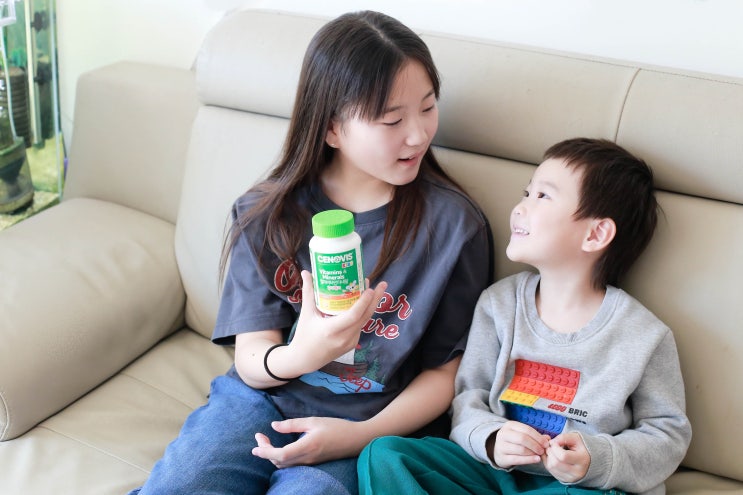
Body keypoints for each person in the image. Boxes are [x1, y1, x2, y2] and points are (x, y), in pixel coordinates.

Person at [128, 10, 493, 495]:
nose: (418, 134)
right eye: (391, 120)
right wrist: (301, 355)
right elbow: (252, 357)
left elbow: (446, 374)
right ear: (331, 128)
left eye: (428, 108)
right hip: (260, 400)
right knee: (184, 484)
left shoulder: (455, 228)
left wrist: (358, 437)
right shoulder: (268, 215)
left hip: (370, 425)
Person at [358, 138, 692, 495]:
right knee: (385, 455)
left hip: (577, 487)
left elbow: (667, 435)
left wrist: (596, 459)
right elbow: (469, 398)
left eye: (543, 196)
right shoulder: (498, 305)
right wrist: (492, 438)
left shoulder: (644, 335)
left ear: (596, 234)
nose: (520, 207)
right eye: (526, 192)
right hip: (493, 475)